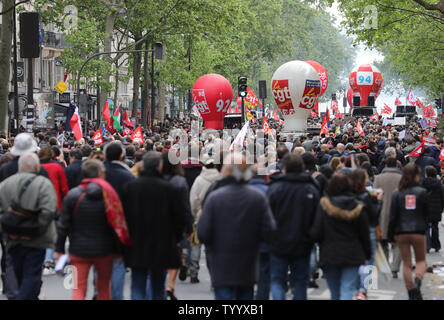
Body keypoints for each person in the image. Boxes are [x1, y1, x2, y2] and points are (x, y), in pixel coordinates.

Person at [197, 153, 276, 300]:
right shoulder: (257, 198)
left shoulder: (215, 197)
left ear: (226, 171)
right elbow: (270, 230)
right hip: (248, 263)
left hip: (221, 263)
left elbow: (203, 232)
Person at [55, 159, 130, 300]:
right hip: (105, 249)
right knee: (103, 287)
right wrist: (120, 250)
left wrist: (59, 249)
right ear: (101, 174)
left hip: (78, 248)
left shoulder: (73, 195)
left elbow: (63, 225)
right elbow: (117, 224)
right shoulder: (110, 195)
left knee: (79, 288)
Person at [122, 152, 186, 300]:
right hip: (162, 243)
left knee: (138, 284)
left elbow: (123, 217)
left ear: (142, 166)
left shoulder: (130, 188)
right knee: (158, 286)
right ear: (160, 167)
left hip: (136, 243)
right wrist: (175, 238)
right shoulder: (169, 189)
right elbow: (179, 219)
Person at [0, 153, 58, 300]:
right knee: (32, 274)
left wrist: (9, 228)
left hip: (12, 238)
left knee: (19, 273)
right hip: (37, 239)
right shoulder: (44, 184)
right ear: (37, 167)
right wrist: (37, 228)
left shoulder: (4, 185)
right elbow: (49, 210)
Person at [310, 173, 371, 300]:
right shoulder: (357, 206)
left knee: (334, 292)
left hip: (329, 253)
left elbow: (316, 232)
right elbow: (364, 234)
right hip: (353, 253)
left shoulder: (324, 205)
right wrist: (367, 254)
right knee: (347, 289)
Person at [267, 153, 320, 300]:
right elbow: (317, 217)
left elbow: (266, 217)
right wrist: (312, 236)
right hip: (302, 242)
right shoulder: (311, 188)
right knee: (300, 282)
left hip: (278, 242)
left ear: (283, 169)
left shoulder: (274, 188)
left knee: (277, 280)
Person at [388, 164, 429, 300]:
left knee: (406, 263)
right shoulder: (422, 192)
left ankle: (411, 292)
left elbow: (392, 216)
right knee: (421, 261)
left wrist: (390, 235)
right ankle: (417, 280)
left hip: (401, 231)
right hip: (418, 230)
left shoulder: (397, 193)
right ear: (417, 175)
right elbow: (426, 213)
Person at [103, 142, 135, 300]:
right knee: (117, 263)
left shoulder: (98, 172)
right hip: (120, 226)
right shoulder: (127, 175)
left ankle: (100, 293)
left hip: (98, 224)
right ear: (121, 156)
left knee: (100, 264)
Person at [161, 151, 193, 300]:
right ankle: (170, 285)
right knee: (176, 253)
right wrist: (189, 227)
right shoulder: (180, 182)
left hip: (159, 222)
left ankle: (162, 282)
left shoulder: (157, 179)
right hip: (176, 223)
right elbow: (185, 206)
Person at [188, 155, 222, 284]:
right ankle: (215, 274)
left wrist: (194, 214)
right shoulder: (221, 178)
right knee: (214, 247)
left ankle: (193, 271)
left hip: (201, 214)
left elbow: (194, 199)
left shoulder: (199, 180)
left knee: (196, 244)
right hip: (218, 216)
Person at [349, 169, 382, 300]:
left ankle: (358, 289)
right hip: (369, 229)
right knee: (369, 259)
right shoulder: (366, 195)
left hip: (352, 230)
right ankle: (363, 289)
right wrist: (378, 201)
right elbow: (374, 214)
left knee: (356, 259)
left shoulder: (349, 194)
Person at [38, 147, 69, 276]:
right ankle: (48, 260)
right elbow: (64, 188)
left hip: (37, 204)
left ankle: (41, 259)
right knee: (52, 234)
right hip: (55, 205)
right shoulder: (57, 168)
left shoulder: (35, 167)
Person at [373, 156, 403, 278]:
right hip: (398, 214)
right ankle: (395, 268)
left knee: (382, 241)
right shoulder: (402, 179)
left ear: (385, 166)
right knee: (398, 243)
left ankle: (385, 266)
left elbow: (374, 196)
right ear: (396, 165)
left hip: (382, 214)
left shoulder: (378, 178)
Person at [421, 166, 444, 253]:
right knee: (435, 227)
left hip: (425, 208)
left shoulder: (423, 182)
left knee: (426, 227)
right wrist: (441, 208)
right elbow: (442, 197)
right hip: (436, 208)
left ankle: (427, 245)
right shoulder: (439, 183)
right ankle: (436, 245)